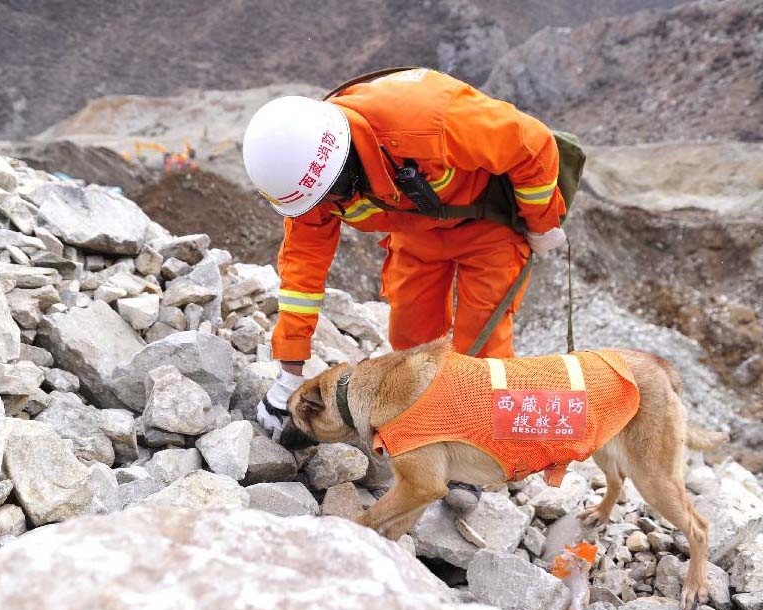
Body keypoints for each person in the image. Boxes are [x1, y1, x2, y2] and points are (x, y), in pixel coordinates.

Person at [243, 68, 568, 437]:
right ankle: (422, 429)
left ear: (344, 165)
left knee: (481, 349)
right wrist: (289, 372)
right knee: (411, 340)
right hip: (415, 233)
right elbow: (302, 273)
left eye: (333, 194)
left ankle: (476, 447)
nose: (329, 205)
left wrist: (541, 223)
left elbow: (533, 143)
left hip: (488, 228)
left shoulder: (431, 121)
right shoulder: (311, 185)